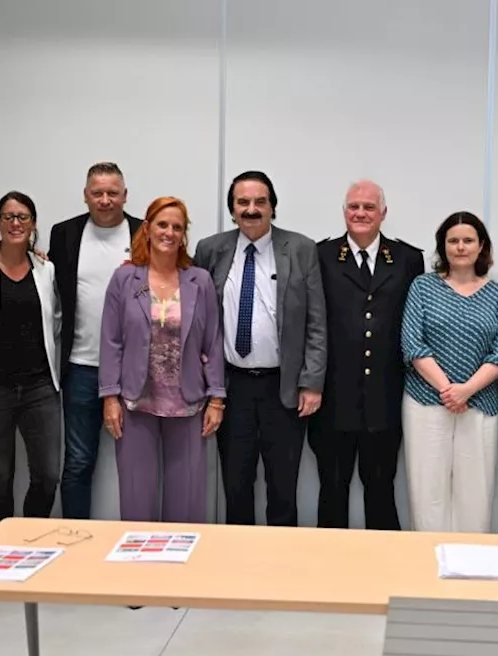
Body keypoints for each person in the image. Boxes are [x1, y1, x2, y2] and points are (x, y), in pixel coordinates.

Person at [193, 170, 326, 526]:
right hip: (230, 388)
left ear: (273, 207)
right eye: (243, 202)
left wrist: (312, 382)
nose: (251, 209)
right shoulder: (210, 249)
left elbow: (316, 322)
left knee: (283, 484)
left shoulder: (300, 249)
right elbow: (197, 317)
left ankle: (281, 567)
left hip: (283, 388)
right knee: (236, 483)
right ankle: (239, 566)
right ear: (232, 209)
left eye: (260, 202)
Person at [99, 196, 225, 522]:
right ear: (147, 228)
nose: (169, 232)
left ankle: (182, 570)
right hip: (135, 401)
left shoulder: (200, 280)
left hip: (188, 402)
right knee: (136, 499)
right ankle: (139, 570)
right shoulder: (125, 279)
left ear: (184, 235)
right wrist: (110, 397)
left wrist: (216, 400)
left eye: (177, 227)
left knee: (187, 504)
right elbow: (111, 341)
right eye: (162, 224)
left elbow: (213, 341)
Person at [308, 180, 424, 529]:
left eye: (369, 207)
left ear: (383, 213)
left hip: (384, 399)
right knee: (332, 489)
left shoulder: (407, 258)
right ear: (344, 211)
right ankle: (329, 573)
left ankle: (387, 572)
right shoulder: (321, 255)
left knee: (381, 490)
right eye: (353, 206)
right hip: (332, 399)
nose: (360, 213)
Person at [401, 211, 498, 533]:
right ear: (443, 246)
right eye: (453, 240)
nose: (460, 247)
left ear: (481, 247)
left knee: (475, 494)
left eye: (468, 240)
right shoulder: (422, 287)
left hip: (479, 406)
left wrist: (465, 391)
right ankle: (427, 566)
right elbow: (413, 344)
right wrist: (447, 389)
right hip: (425, 402)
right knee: (427, 493)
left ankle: (470, 570)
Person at [0, 191, 62, 528]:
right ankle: (0, 551)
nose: (15, 223)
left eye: (23, 217)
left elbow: (56, 319)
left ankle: (29, 543)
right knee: (0, 474)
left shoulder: (46, 270)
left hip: (40, 388)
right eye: (8, 216)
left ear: (33, 224)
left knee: (47, 476)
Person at [48, 162, 144, 520]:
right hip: (82, 368)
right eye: (97, 193)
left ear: (125, 195)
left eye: (112, 193)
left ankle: (136, 542)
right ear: (85, 195)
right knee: (77, 461)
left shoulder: (144, 232)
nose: (105, 200)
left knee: (138, 464)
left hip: (135, 370)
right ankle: (75, 541)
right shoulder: (65, 234)